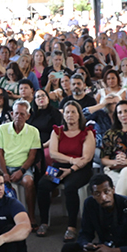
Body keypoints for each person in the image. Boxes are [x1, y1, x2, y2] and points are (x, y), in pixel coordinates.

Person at [36, 101, 95, 239]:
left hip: (81, 169)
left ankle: (72, 226)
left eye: (73, 112)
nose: (70, 115)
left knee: (70, 187)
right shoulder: (57, 131)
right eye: (67, 112)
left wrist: (72, 169)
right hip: (59, 166)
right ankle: (44, 222)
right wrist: (71, 160)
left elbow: (86, 158)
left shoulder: (87, 132)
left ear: (79, 115)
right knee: (43, 185)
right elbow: (53, 154)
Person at [0, 99, 41, 207]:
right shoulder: (2, 129)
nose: (19, 116)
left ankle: (31, 217)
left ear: (28, 116)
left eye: (22, 114)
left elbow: (32, 156)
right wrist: (4, 172)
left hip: (23, 167)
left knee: (29, 182)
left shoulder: (33, 131)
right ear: (12, 114)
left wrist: (21, 171)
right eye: (16, 113)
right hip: (4, 166)